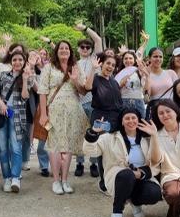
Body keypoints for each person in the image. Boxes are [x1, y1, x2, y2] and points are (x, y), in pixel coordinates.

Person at [83, 108, 163, 217]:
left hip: (140, 177)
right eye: (127, 118)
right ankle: (117, 213)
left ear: (138, 120)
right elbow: (90, 151)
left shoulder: (146, 139)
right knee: (127, 175)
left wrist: (155, 135)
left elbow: (156, 162)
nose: (130, 121)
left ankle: (135, 202)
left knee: (155, 193)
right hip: (119, 177)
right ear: (121, 121)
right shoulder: (110, 138)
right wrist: (93, 132)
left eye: (133, 118)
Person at [38, 40, 87, 195]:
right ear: (56, 51)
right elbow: (42, 91)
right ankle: (56, 181)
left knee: (68, 146)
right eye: (61, 48)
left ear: (70, 51)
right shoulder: (49, 67)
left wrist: (75, 80)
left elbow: (83, 91)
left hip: (73, 111)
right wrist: (44, 113)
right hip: (55, 110)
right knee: (55, 146)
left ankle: (65, 179)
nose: (64, 50)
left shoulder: (76, 67)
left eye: (67, 48)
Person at [0, 51, 34, 193]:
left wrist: (24, 79)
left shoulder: (28, 77)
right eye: (15, 60)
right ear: (11, 61)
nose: (17, 62)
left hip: (17, 115)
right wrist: (1, 104)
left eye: (20, 60)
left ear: (24, 62)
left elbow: (24, 98)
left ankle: (16, 177)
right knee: (3, 148)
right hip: (2, 113)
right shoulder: (3, 75)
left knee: (16, 148)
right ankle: (7, 177)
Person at [84, 53, 122, 193]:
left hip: (116, 117)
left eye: (113, 65)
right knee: (103, 150)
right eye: (108, 64)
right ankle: (104, 183)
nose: (110, 67)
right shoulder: (96, 79)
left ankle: (113, 180)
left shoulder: (114, 82)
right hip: (101, 118)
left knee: (115, 150)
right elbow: (87, 87)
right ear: (102, 64)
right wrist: (93, 69)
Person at [75, 27, 103, 178]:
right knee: (79, 134)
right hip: (79, 103)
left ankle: (93, 163)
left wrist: (85, 28)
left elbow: (98, 39)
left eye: (88, 47)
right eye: (82, 47)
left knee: (94, 134)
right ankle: (79, 162)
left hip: (93, 103)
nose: (85, 49)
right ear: (78, 49)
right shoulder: (74, 64)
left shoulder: (96, 61)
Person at [142, 47, 178, 117]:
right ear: (149, 58)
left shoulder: (171, 73)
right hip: (154, 109)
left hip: (171, 107)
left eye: (160, 57)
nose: (158, 59)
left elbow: (178, 90)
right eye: (155, 56)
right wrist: (147, 77)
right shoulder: (145, 76)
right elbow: (147, 96)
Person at [116, 51, 146, 118]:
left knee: (141, 123)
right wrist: (120, 85)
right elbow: (115, 89)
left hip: (138, 101)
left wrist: (144, 75)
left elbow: (145, 87)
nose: (128, 60)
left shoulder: (139, 72)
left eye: (130, 58)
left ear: (134, 60)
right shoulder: (119, 72)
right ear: (123, 60)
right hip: (124, 101)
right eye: (126, 58)